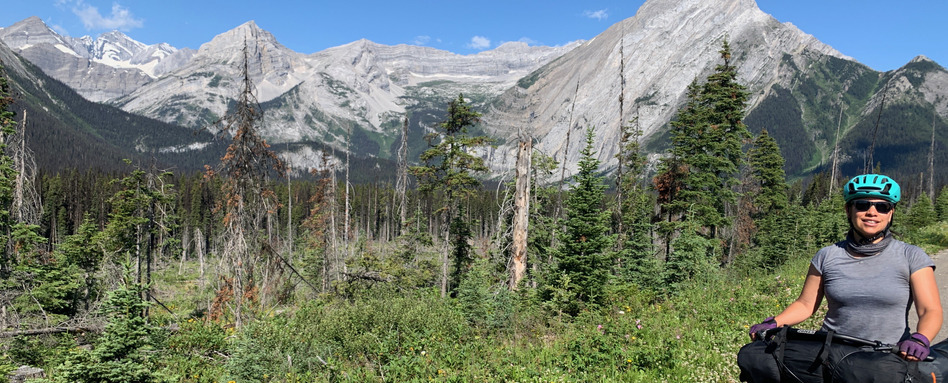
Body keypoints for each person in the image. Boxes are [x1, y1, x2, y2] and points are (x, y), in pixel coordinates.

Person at [746, 174, 942, 364]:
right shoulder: (827, 256)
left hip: (887, 359)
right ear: (849, 210)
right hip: (831, 357)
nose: (872, 212)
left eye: (882, 207)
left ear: (891, 213)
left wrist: (920, 339)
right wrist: (774, 322)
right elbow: (806, 304)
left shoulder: (911, 256)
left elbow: (929, 310)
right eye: (862, 205)